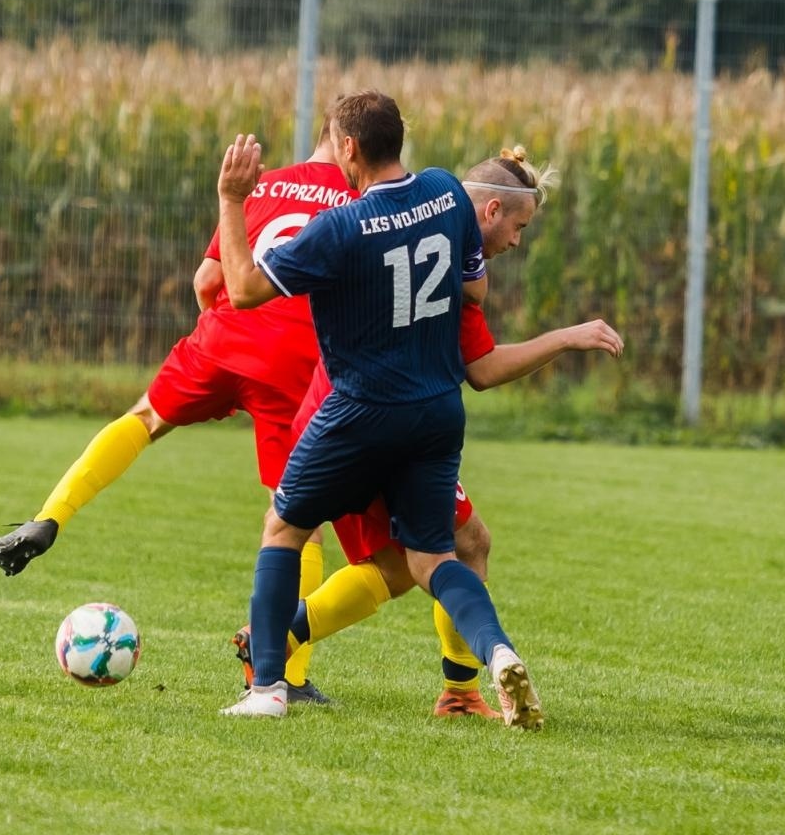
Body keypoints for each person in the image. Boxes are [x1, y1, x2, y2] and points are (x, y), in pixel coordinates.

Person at [232, 148, 623, 719]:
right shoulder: (443, 257)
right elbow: (482, 368)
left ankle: (283, 645)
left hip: (372, 414)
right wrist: (566, 337)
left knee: (418, 560)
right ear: (489, 211)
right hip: (361, 420)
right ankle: (451, 689)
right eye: (518, 227)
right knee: (444, 552)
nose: (517, 242)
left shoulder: (438, 240)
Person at [0, 124, 358, 702]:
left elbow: (207, 279)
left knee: (143, 420)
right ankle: (287, 670)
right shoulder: (364, 202)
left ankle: (49, 515)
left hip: (219, 339)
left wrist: (223, 332)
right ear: (356, 146)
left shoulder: (260, 185)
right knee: (297, 521)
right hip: (294, 360)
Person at [215, 90, 542, 729]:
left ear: (348, 148)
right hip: (436, 414)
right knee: (433, 559)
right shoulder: (448, 193)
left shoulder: (337, 229)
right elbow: (473, 287)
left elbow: (243, 289)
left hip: (358, 412)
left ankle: (268, 688)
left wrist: (232, 200)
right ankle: (496, 650)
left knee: (284, 528)